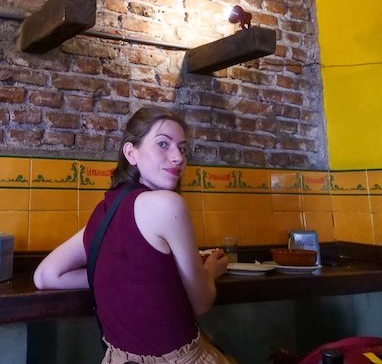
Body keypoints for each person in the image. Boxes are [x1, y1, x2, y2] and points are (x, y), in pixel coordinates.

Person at [33, 106, 235, 364]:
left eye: (182, 149)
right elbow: (201, 304)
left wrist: (125, 275)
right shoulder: (168, 204)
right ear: (131, 153)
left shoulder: (104, 210)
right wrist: (210, 272)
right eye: (163, 144)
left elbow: (46, 276)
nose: (178, 158)